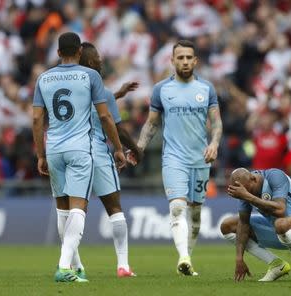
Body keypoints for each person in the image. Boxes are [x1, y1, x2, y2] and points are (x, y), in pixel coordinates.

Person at [32, 32, 126, 283]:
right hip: (80, 149)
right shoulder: (90, 76)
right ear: (79, 52)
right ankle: (64, 267)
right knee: (78, 208)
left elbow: (37, 118)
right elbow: (105, 116)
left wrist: (40, 154)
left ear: (59, 52)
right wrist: (118, 147)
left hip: (54, 149)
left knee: (62, 210)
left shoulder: (43, 78)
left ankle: (76, 266)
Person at [129, 40, 223, 276]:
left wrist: (214, 143)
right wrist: (139, 148)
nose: (184, 61)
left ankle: (187, 261)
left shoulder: (206, 88)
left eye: (188, 57)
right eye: (179, 58)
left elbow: (217, 123)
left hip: (200, 159)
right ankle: (184, 256)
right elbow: (151, 124)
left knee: (196, 214)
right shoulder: (161, 89)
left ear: (195, 60)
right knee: (178, 207)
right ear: (172, 61)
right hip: (173, 158)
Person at [59, 41, 140, 279]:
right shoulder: (101, 90)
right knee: (114, 209)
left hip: (72, 153)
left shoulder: (72, 90)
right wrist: (132, 148)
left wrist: (119, 94)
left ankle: (74, 264)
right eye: (100, 62)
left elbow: (92, 105)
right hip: (98, 153)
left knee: (71, 211)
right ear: (92, 63)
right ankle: (123, 265)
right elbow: (116, 127)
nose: (102, 65)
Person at [220, 168, 291, 283]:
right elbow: (243, 223)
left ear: (253, 179)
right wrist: (239, 258)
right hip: (281, 233)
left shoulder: (275, 176)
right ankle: (276, 265)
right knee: (227, 225)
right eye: (242, 193)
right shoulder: (245, 190)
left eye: (247, 191)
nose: (246, 194)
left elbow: (280, 210)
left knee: (281, 223)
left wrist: (247, 196)